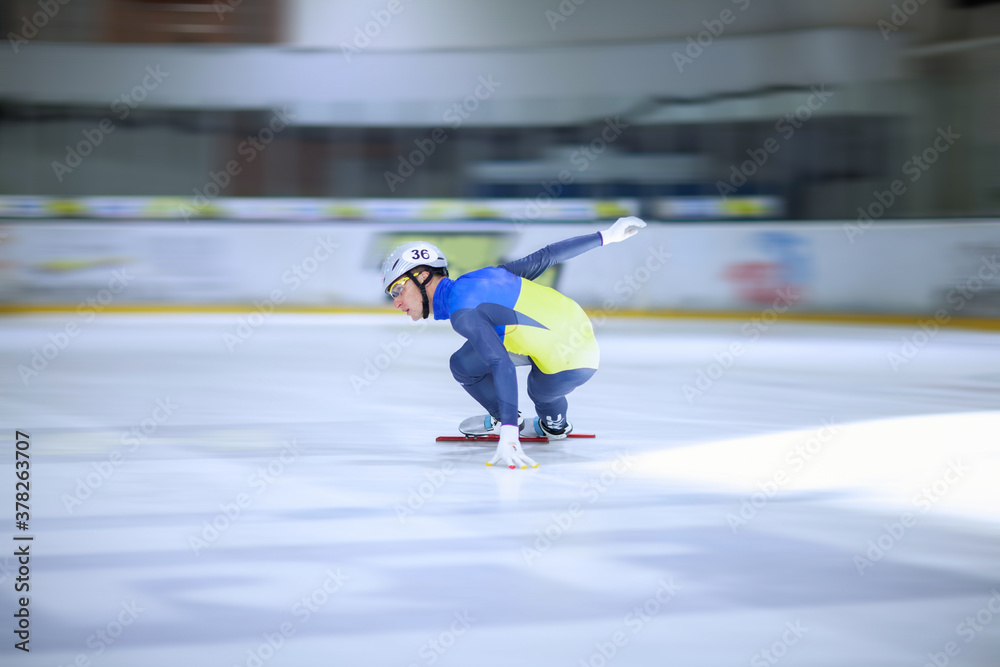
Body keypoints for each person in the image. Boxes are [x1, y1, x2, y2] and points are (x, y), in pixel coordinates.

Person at [380, 216, 646, 469]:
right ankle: (510, 417)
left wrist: (509, 434)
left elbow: (500, 363)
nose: (397, 302)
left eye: (398, 289)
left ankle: (554, 424)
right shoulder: (481, 276)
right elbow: (547, 256)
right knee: (462, 364)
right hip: (572, 325)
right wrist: (607, 236)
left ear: (424, 276)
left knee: (539, 390)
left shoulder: (464, 313)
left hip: (575, 359)